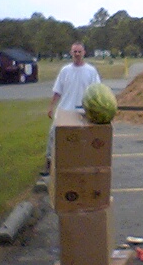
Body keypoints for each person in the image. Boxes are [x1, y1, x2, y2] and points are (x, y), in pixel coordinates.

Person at [42, 42, 101, 176]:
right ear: (71, 53)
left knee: (83, 138)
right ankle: (49, 163)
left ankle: (84, 164)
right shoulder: (65, 70)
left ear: (84, 53)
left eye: (79, 51)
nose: (77, 54)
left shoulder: (91, 71)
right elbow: (57, 91)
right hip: (65, 109)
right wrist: (51, 107)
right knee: (54, 134)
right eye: (75, 52)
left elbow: (97, 91)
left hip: (83, 111)